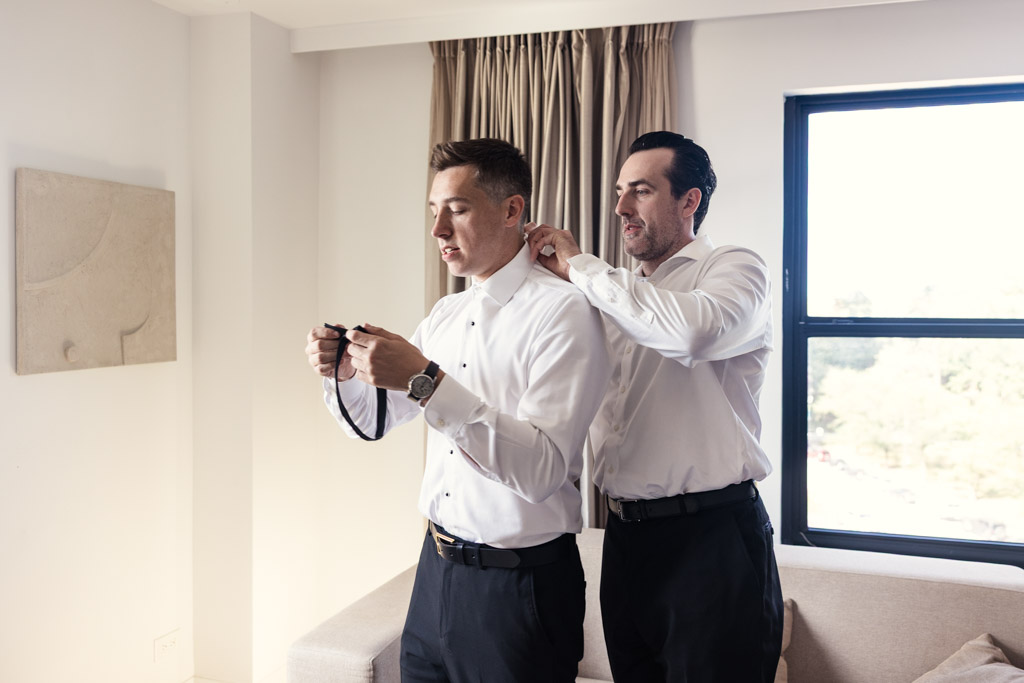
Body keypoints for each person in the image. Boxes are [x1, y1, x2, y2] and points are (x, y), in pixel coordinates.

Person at [305, 138, 610, 683]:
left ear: (512, 209)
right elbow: (375, 421)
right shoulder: (447, 313)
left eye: (458, 210)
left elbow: (541, 472)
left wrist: (427, 381)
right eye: (433, 211)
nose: (437, 230)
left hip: (520, 590)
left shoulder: (564, 314)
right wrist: (344, 374)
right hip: (434, 573)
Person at [526, 131, 783, 682]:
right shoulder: (607, 294)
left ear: (689, 201)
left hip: (712, 541)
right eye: (620, 191)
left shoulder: (735, 268)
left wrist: (581, 268)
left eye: (640, 191)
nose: (620, 207)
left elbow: (694, 334)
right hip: (625, 541)